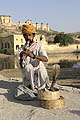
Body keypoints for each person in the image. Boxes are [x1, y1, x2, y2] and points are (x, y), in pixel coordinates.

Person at [15, 24, 49, 100]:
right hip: (28, 73)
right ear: (23, 36)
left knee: (41, 70)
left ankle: (40, 87)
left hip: (39, 70)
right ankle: (32, 87)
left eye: (30, 35)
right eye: (25, 36)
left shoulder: (39, 46)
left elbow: (46, 59)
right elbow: (21, 66)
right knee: (28, 67)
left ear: (33, 36)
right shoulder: (21, 49)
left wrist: (33, 56)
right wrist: (21, 56)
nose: (28, 37)